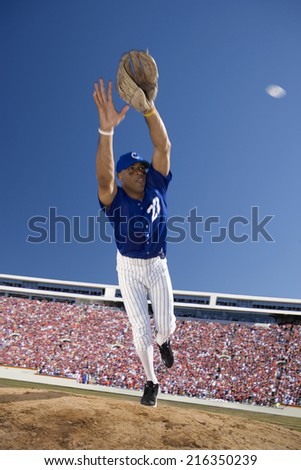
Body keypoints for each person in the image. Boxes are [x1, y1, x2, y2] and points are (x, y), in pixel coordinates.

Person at [93, 78, 176, 407]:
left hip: (157, 265)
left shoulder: (157, 184)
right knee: (139, 327)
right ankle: (151, 382)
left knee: (165, 325)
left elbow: (163, 147)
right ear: (122, 175)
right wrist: (106, 131)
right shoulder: (114, 199)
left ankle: (165, 340)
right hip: (127, 267)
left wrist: (148, 109)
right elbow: (103, 175)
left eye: (142, 167)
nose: (141, 170)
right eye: (133, 168)